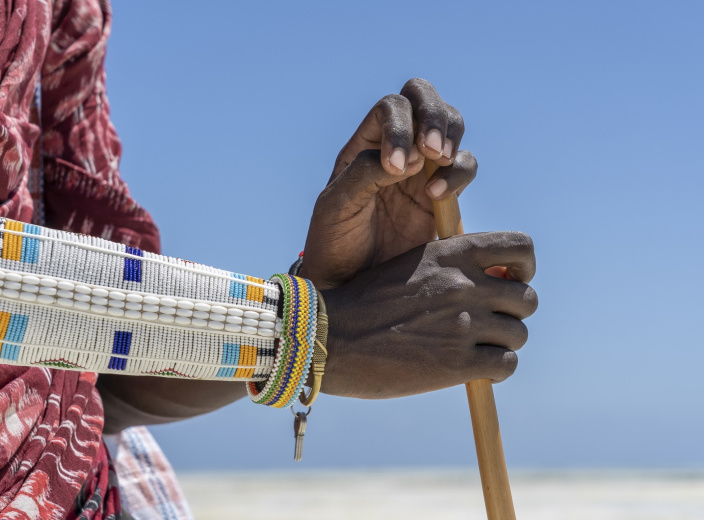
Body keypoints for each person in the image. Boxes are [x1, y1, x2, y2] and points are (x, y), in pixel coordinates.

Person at [0, 0, 537, 518]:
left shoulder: (72, 11)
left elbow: (93, 378)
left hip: (83, 487)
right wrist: (302, 333)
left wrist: (318, 296)